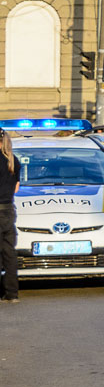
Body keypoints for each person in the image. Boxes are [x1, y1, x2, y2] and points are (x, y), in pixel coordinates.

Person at [0, 128, 19, 303]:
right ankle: (12, 294)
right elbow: (16, 188)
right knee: (9, 253)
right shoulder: (13, 161)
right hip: (8, 209)